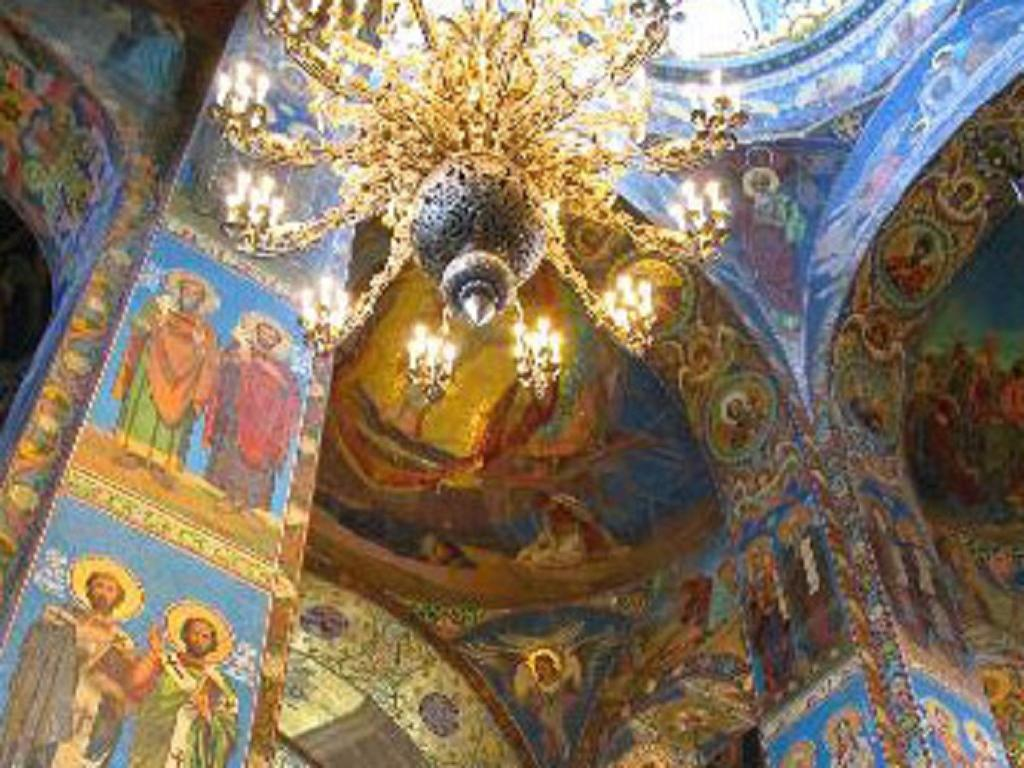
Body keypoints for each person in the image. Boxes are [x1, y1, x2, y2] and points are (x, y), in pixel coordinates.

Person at [0, 555, 144, 767]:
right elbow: (34, 645)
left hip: (92, 709)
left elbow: (125, 690)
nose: (103, 593)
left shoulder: (122, 641)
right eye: (99, 586)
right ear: (88, 589)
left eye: (110, 589)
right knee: (44, 752)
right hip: (54, 697)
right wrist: (76, 634)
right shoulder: (62, 617)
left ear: (118, 597)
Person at [112, 270, 220, 482]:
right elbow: (139, 326)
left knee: (172, 422)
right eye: (186, 290)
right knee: (145, 408)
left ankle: (161, 465)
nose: (189, 296)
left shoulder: (206, 331)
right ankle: (134, 453)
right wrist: (153, 317)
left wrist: (201, 350)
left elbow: (211, 361)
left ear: (201, 300)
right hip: (153, 369)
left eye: (195, 293)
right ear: (179, 291)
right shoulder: (160, 309)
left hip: (184, 385)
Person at [204, 312, 301, 512]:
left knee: (250, 465)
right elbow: (225, 368)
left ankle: (241, 500)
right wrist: (236, 359)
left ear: (276, 342)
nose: (266, 338)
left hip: (263, 427)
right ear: (256, 333)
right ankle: (225, 494)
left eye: (271, 336)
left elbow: (287, 396)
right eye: (263, 332)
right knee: (230, 455)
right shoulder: (241, 349)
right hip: (238, 416)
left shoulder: (283, 370)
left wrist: (252, 365)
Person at [127, 601, 238, 768]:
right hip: (155, 746)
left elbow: (228, 728)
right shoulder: (166, 661)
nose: (199, 639)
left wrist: (208, 716)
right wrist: (154, 653)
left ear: (213, 643)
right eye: (195, 633)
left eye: (205, 636)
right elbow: (135, 685)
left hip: (191, 753)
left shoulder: (218, 681)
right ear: (185, 635)